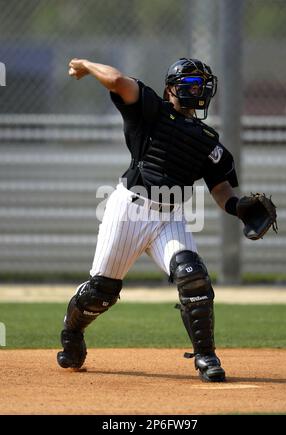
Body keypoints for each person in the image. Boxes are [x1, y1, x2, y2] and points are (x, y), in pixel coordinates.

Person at [57, 57, 242, 383]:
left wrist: (239, 208)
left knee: (193, 276)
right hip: (129, 209)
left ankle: (206, 356)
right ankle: (72, 331)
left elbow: (221, 189)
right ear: (171, 88)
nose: (198, 91)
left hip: (169, 217)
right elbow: (116, 80)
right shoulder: (150, 109)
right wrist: (86, 64)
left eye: (203, 85)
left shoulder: (208, 140)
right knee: (102, 291)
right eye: (190, 85)